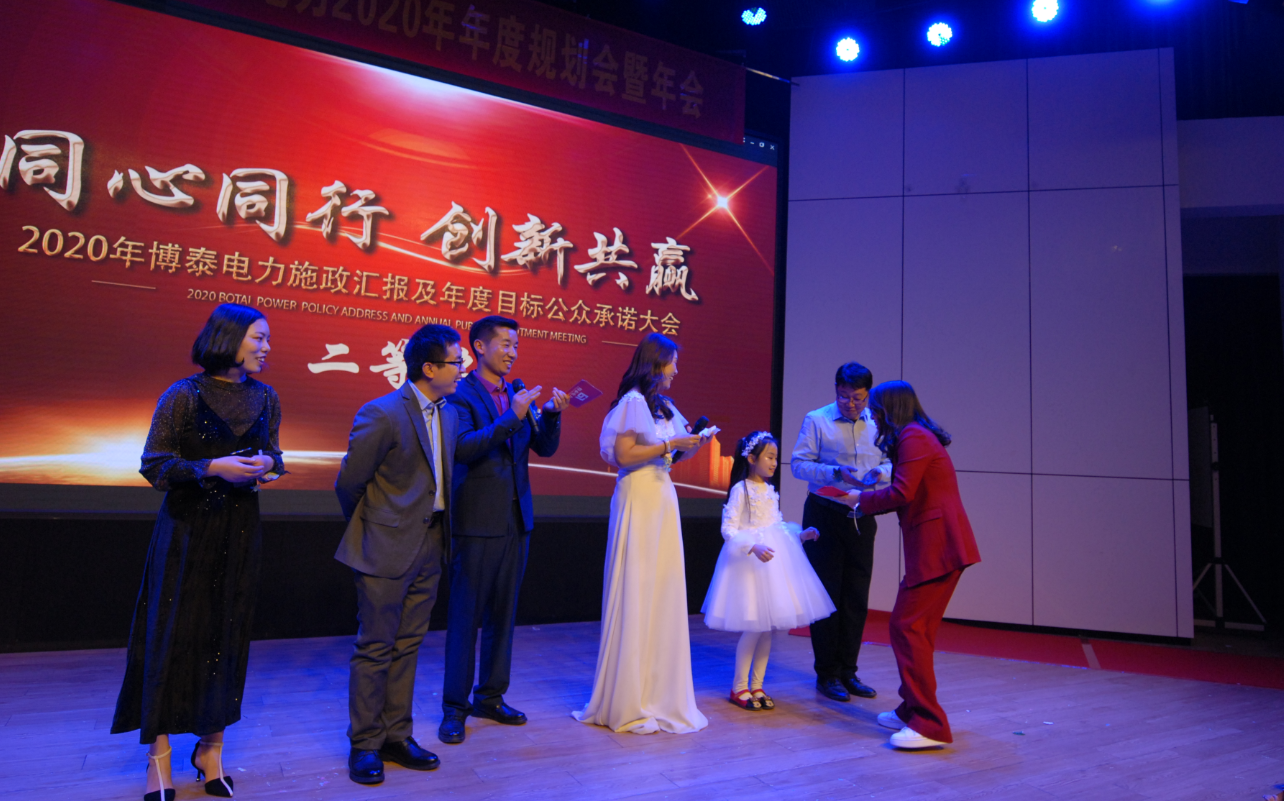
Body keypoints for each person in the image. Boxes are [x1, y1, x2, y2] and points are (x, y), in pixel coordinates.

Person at [112, 303, 284, 801]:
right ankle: (159, 758)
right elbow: (155, 465)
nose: (266, 347)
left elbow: (276, 455)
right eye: (258, 337)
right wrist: (212, 467)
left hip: (239, 532)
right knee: (171, 638)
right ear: (229, 338)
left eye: (266, 338)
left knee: (226, 638)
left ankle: (211, 751)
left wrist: (267, 466)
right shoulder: (183, 395)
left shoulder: (266, 396)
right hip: (186, 534)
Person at [334, 324, 462, 785]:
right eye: (455, 362)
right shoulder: (383, 412)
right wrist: (378, 526)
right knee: (375, 646)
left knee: (408, 645)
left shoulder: (450, 414)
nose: (461, 370)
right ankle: (365, 743)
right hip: (384, 544)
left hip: (432, 543)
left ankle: (396, 735)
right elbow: (349, 484)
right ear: (429, 368)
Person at [573, 332, 714, 734]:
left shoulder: (663, 405)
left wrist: (690, 444)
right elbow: (624, 454)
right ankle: (631, 697)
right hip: (639, 494)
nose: (675, 371)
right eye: (672, 363)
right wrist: (670, 444)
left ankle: (659, 692)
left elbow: (671, 452)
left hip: (661, 494)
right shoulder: (633, 401)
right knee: (637, 587)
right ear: (656, 363)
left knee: (661, 589)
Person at [438, 315, 569, 745]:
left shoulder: (516, 392)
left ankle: (490, 697)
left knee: (503, 614)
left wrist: (551, 416)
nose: (513, 353)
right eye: (505, 344)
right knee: (466, 617)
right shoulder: (460, 394)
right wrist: (512, 417)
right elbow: (463, 448)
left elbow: (544, 447)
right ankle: (454, 708)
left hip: (516, 519)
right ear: (479, 347)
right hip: (476, 521)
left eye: (516, 345)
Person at [841, 380, 980, 750]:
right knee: (914, 629)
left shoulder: (913, 436)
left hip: (939, 547)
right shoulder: (915, 435)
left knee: (907, 628)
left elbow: (903, 492)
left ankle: (930, 724)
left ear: (891, 409)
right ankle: (912, 709)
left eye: (875, 409)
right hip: (935, 547)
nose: (872, 416)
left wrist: (861, 500)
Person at [701, 431, 836, 711]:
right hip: (750, 567)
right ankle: (739, 686)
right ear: (752, 459)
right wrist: (752, 546)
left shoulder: (770, 490)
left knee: (767, 630)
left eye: (776, 458)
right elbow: (729, 529)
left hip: (773, 564)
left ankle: (758, 685)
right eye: (770, 457)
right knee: (754, 628)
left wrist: (800, 535)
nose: (774, 463)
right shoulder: (741, 489)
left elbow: (777, 526)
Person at [790, 362, 891, 702]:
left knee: (856, 597)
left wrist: (880, 475)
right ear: (836, 390)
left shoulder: (878, 420)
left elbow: (893, 462)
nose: (851, 404)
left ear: (868, 394)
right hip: (825, 513)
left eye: (858, 398)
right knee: (826, 595)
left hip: (862, 512)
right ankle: (827, 674)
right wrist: (836, 472)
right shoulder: (816, 419)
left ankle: (849, 671)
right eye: (844, 397)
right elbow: (799, 465)